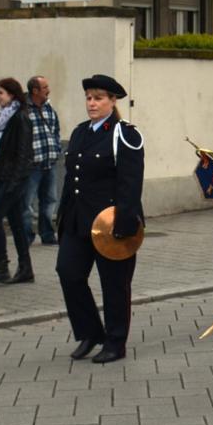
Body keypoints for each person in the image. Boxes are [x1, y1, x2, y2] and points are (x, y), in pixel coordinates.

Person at [56, 74, 144, 363]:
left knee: (114, 285)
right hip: (78, 222)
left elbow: (130, 184)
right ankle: (91, 332)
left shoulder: (124, 134)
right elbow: (72, 180)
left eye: (98, 98)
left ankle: (115, 342)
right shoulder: (81, 132)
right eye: (89, 98)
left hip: (111, 224)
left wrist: (125, 224)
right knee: (68, 273)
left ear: (112, 101)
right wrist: (62, 219)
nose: (92, 103)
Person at [0, 78, 33, 287]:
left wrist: (14, 182)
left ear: (12, 95)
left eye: (1, 93)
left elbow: (24, 153)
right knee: (16, 224)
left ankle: (1, 266)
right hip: (7, 177)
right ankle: (26, 269)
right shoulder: (4, 117)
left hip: (15, 180)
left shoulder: (19, 118)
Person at [22, 76, 61, 247]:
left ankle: (47, 234)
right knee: (26, 203)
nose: (48, 89)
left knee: (50, 200)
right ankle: (26, 236)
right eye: (45, 87)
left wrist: (57, 148)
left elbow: (56, 130)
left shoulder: (49, 108)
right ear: (35, 91)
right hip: (31, 166)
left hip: (49, 163)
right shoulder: (22, 110)